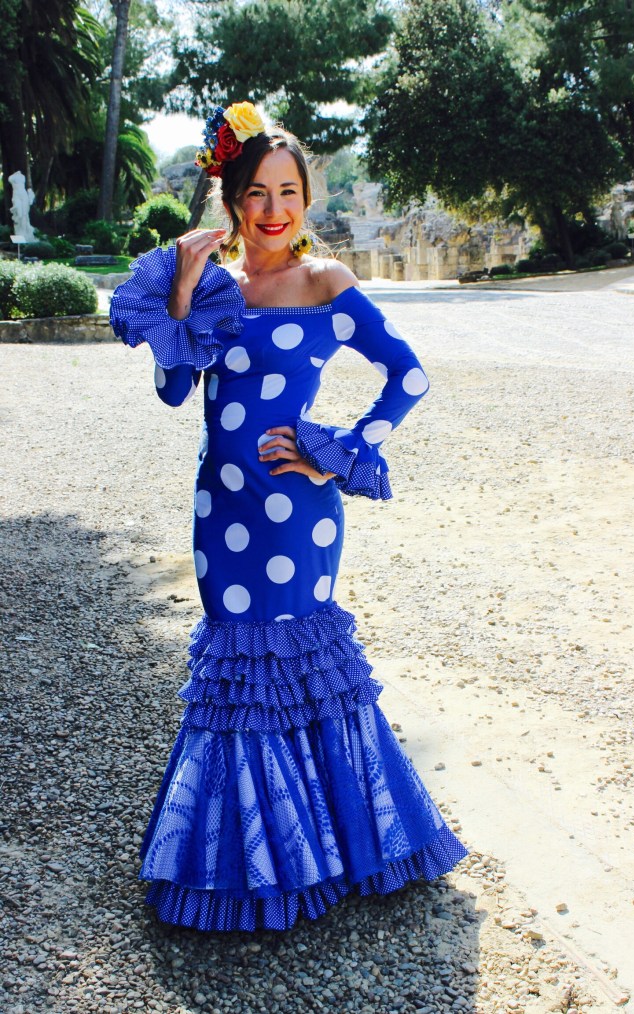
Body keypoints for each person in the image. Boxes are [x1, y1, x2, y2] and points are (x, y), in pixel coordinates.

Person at [110, 100, 467, 932]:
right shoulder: (216, 288)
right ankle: (246, 852)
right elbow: (173, 390)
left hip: (295, 516)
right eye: (258, 193)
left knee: (297, 655)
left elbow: (408, 376)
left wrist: (336, 451)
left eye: (289, 192)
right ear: (233, 200)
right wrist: (185, 290)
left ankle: (333, 843)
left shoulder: (326, 283)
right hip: (219, 509)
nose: (274, 210)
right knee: (237, 667)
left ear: (307, 198)